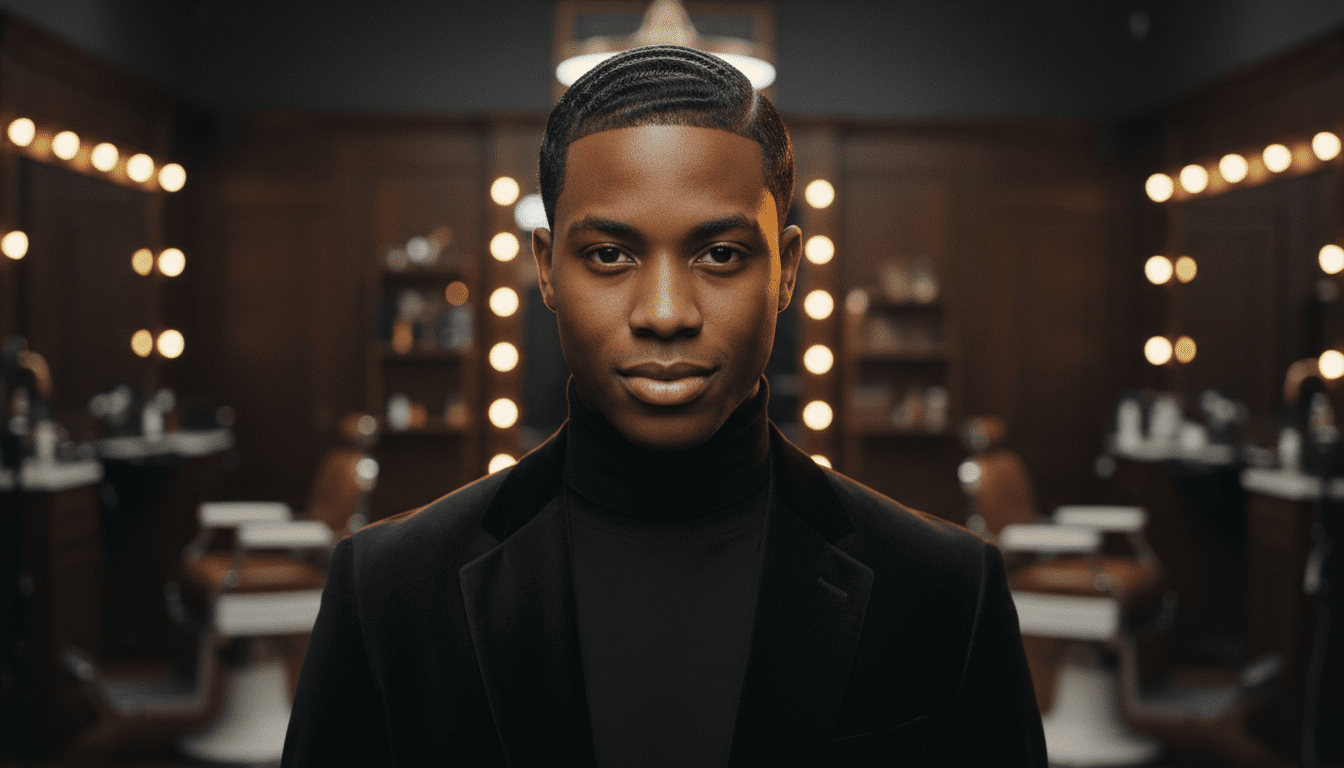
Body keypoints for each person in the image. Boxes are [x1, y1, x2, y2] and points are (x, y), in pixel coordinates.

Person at [282, 44, 1046, 767]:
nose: (666, 312)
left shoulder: (946, 592)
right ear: (547, 271)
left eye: (721, 254)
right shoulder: (388, 592)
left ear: (786, 273)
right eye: (609, 255)